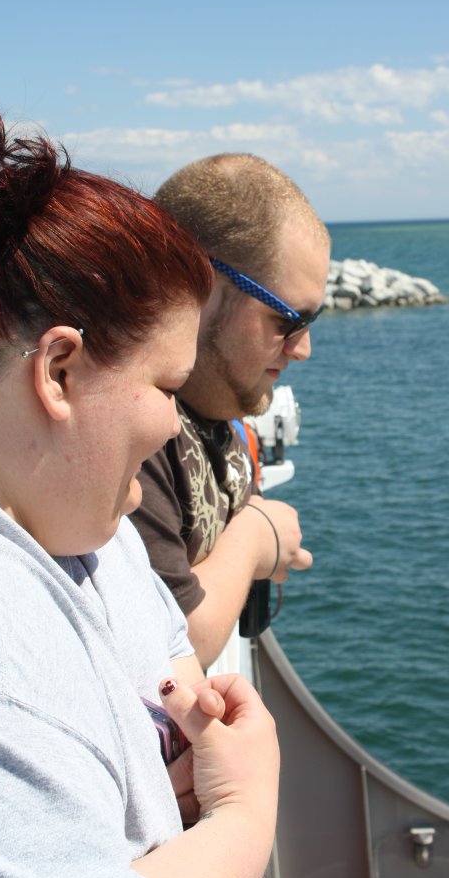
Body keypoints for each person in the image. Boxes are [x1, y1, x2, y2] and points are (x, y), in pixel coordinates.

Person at [0, 113, 279, 878]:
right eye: (167, 387)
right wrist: (243, 815)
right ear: (61, 371)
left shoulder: (88, 525)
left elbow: (168, 653)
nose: (176, 423)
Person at [131, 154, 330, 669]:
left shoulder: (220, 403)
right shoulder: (134, 430)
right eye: (288, 321)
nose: (302, 348)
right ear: (199, 283)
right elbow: (167, 647)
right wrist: (255, 540)